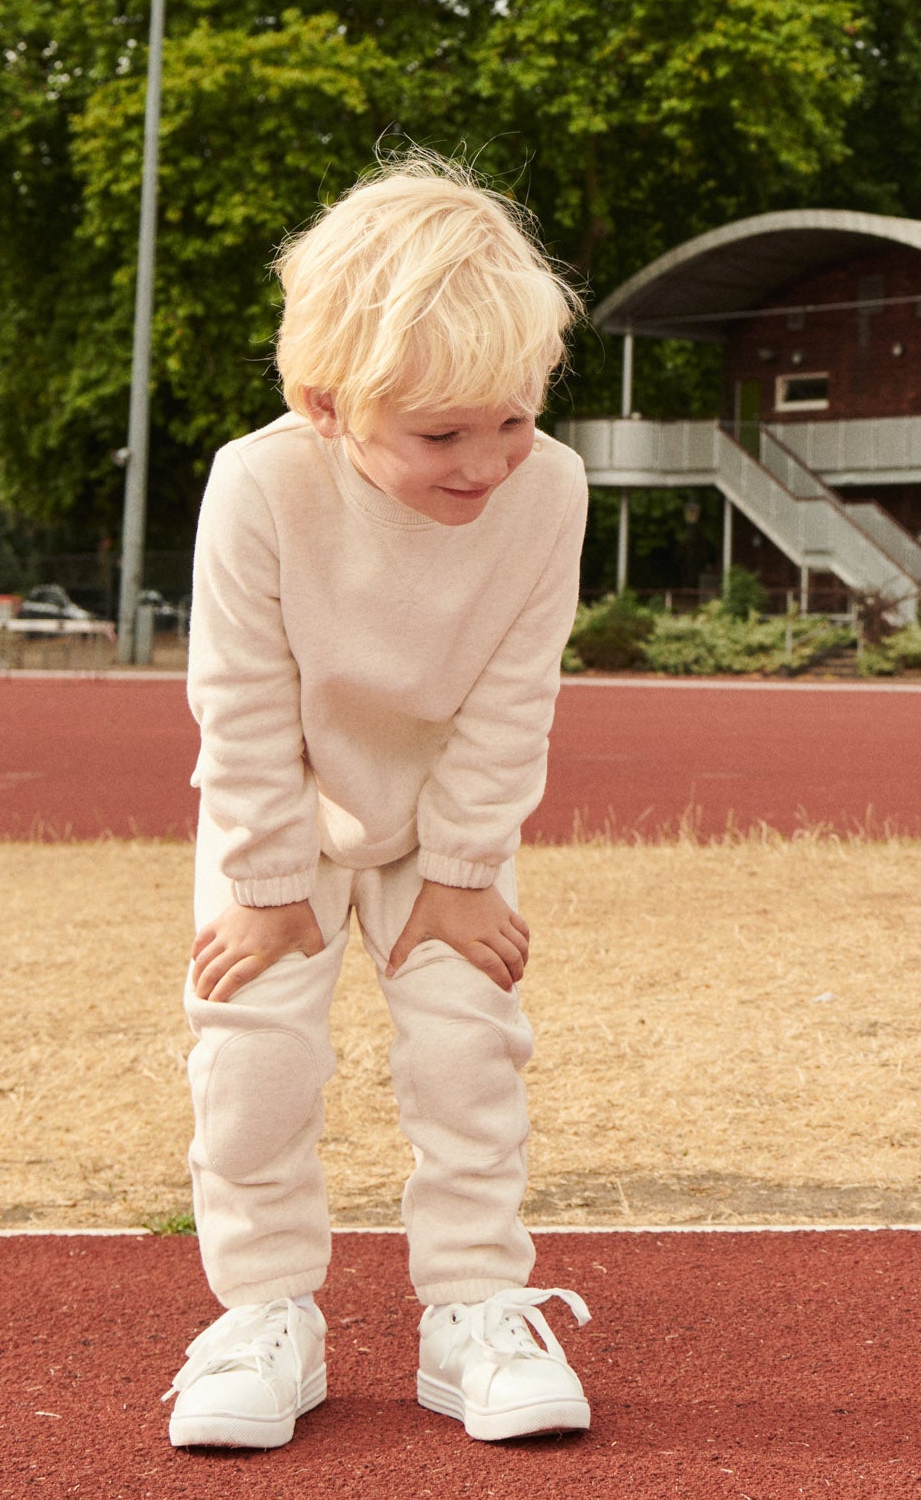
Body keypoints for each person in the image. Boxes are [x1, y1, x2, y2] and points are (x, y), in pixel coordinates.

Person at [166, 154, 592, 1451]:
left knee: (470, 1051)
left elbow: (514, 695)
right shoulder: (260, 483)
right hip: (280, 810)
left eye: (512, 419)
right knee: (253, 1057)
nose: (487, 462)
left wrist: (461, 868)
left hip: (445, 820)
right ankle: (265, 1315)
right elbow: (241, 695)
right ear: (327, 404)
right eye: (441, 436)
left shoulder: (549, 490)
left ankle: (471, 1307)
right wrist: (265, 884)